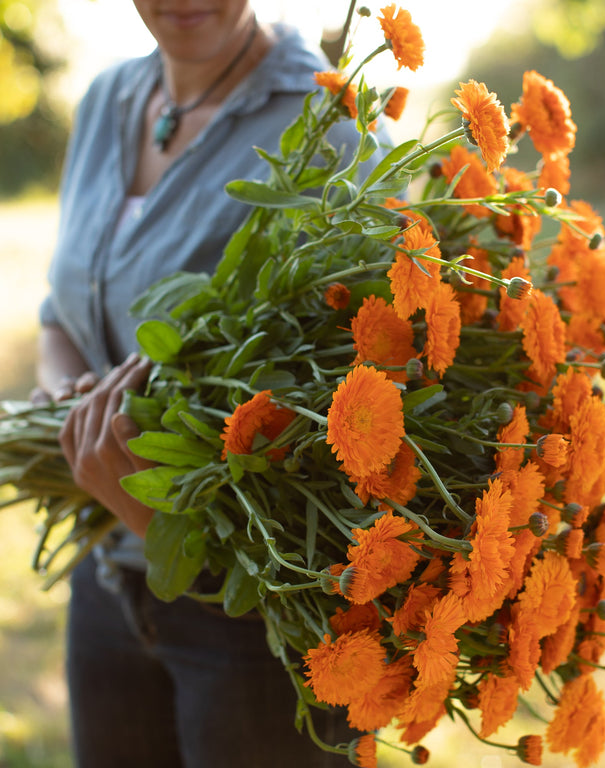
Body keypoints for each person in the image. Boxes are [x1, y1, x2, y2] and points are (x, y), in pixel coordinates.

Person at [36, 2, 381, 766]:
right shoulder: (106, 99)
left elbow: (352, 419)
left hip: (252, 617)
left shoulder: (332, 124)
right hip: (104, 581)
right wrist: (66, 400)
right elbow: (60, 314)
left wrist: (152, 514)